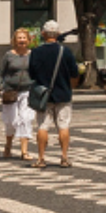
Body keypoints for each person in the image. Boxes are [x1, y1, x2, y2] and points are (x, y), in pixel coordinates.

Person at [27, 21, 77, 168]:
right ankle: (64, 157)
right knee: (63, 125)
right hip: (63, 94)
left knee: (43, 126)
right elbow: (74, 72)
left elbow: (32, 74)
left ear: (43, 33)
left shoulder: (36, 52)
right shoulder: (65, 51)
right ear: (58, 34)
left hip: (43, 95)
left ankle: (41, 158)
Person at [0, 29, 35, 160]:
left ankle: (24, 151)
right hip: (10, 91)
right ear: (15, 41)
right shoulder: (9, 55)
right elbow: (1, 74)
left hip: (27, 91)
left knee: (25, 119)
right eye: (19, 38)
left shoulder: (33, 55)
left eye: (24, 38)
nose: (22, 40)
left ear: (28, 40)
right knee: (12, 121)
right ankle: (8, 145)